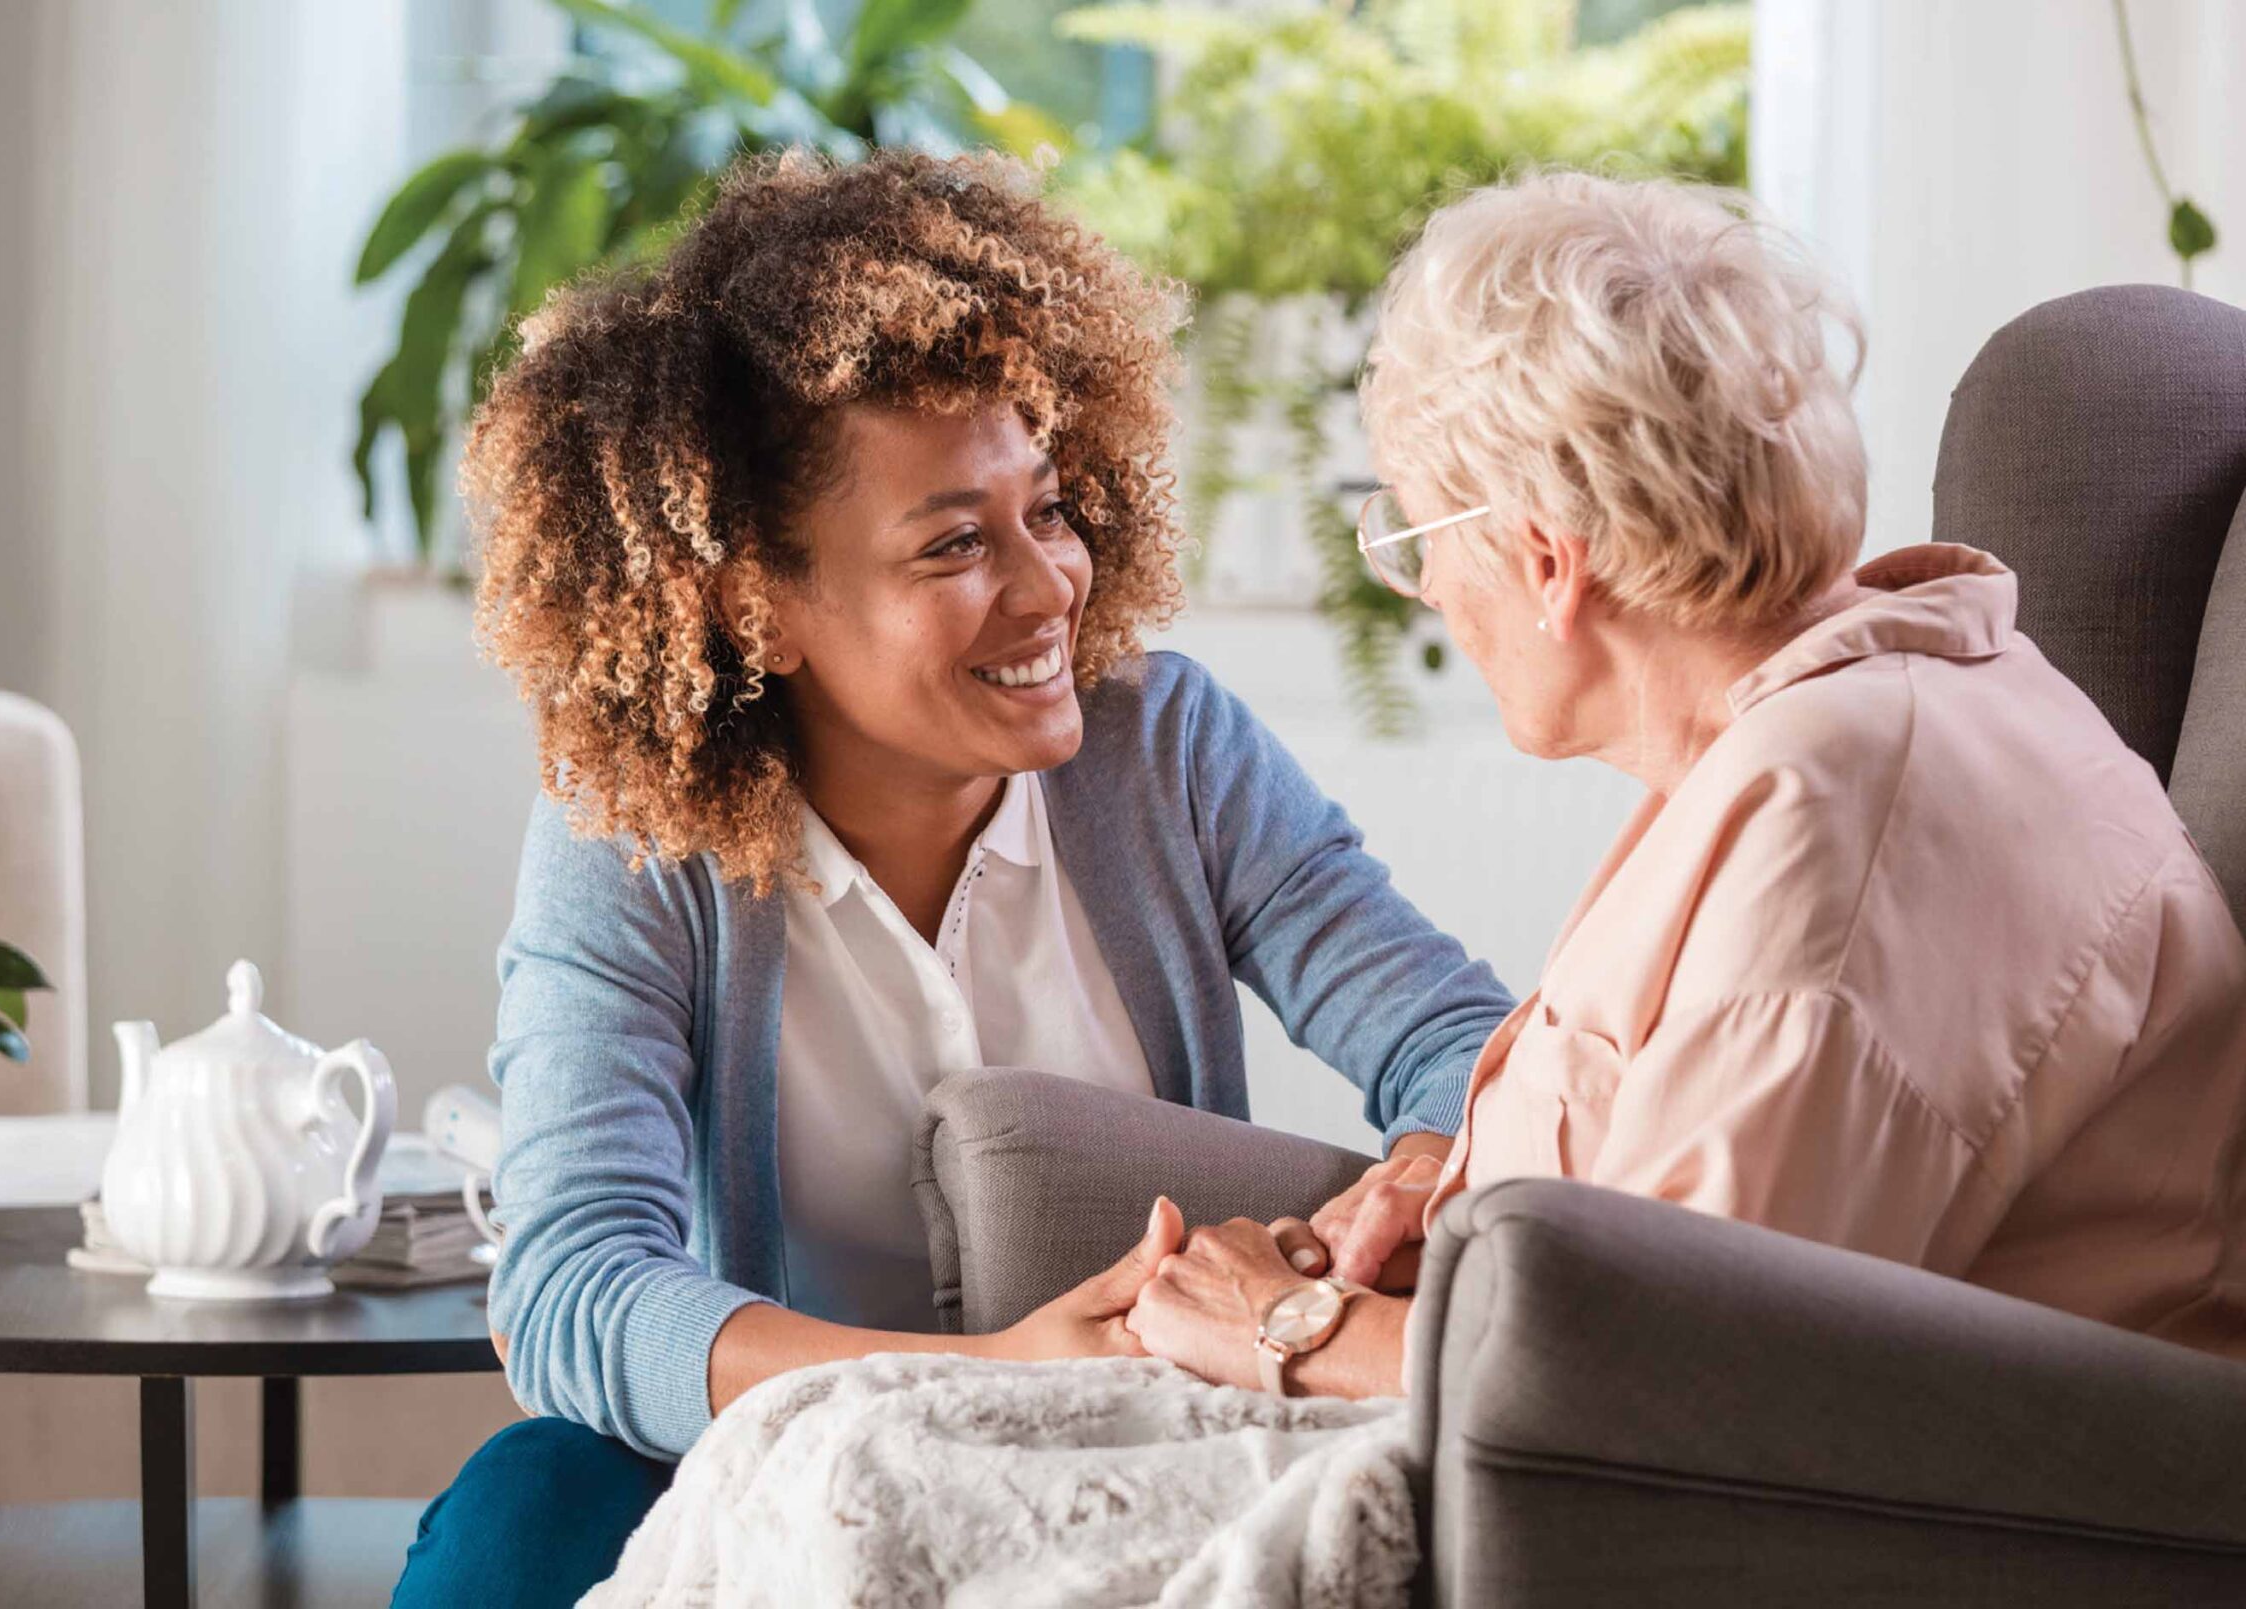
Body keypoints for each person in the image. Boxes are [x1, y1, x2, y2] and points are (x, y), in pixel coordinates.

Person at [389, 149, 1515, 1608]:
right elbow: (572, 1290)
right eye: (954, 544)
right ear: (755, 604)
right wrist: (981, 1376)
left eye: (1048, 509)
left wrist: (1402, 1196)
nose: (1051, 586)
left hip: (1130, 1448)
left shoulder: (1166, 751)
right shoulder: (635, 834)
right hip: (775, 1466)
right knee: (525, 1511)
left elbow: (1461, 1048)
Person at [1126, 171, 2246, 1400]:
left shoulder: (1838, 816)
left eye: (1416, 536)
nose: (1431, 588)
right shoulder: (1851, 719)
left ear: (1547, 561)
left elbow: (1679, 1381)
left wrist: (1292, 1326)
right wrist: (1445, 1206)